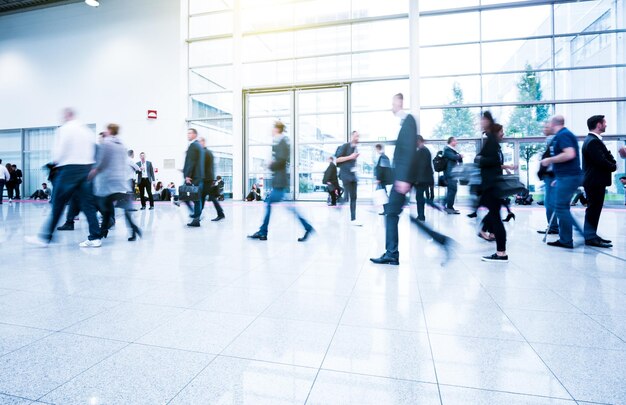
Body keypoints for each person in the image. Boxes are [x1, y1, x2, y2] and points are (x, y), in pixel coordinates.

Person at [371, 93, 450, 266]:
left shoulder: (409, 121)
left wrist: (404, 179)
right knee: (395, 213)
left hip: (403, 179)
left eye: (393, 103)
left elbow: (408, 151)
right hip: (402, 178)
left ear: (400, 102)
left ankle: (392, 253)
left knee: (391, 213)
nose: (392, 106)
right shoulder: (406, 123)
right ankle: (439, 240)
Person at [26, 108, 102, 247]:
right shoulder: (86, 130)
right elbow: (94, 151)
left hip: (69, 170)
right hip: (85, 169)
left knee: (58, 203)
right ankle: (95, 237)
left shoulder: (65, 129)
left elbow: (59, 152)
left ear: (67, 116)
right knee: (88, 205)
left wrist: (54, 164)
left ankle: (45, 237)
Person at [248, 121, 314, 242]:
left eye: (273, 128)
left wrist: (271, 164)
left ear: (277, 129)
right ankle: (263, 232)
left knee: (275, 205)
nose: (271, 131)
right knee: (280, 206)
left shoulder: (283, 142)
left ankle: (263, 232)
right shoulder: (279, 142)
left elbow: (282, 161)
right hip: (279, 181)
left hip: (280, 181)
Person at [89, 124, 141, 241]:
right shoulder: (122, 145)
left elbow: (103, 162)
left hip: (109, 184)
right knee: (124, 209)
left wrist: (94, 172)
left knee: (106, 210)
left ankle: (102, 233)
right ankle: (133, 229)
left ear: (110, 130)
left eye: (107, 129)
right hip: (121, 183)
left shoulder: (106, 144)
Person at [540, 115, 584, 249]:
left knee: (560, 208)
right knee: (561, 207)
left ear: (553, 124)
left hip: (569, 177)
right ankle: (566, 240)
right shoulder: (564, 135)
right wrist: (558, 178)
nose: (546, 128)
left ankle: (581, 234)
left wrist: (549, 160)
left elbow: (570, 154)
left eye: (548, 125)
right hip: (565, 177)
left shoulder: (563, 135)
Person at [581, 115, 616, 248]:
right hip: (594, 181)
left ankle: (592, 235)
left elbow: (606, 157)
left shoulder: (593, 140)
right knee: (593, 209)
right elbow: (602, 161)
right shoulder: (593, 141)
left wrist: (611, 161)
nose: (606, 125)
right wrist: (613, 165)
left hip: (594, 181)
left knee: (594, 209)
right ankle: (590, 237)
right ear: (598, 125)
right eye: (604, 122)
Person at [478, 123, 509, 262]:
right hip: (493, 187)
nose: (503, 133)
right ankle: (489, 234)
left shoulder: (494, 147)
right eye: (501, 131)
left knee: (496, 218)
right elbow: (484, 162)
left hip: (493, 187)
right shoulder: (492, 147)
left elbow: (489, 163)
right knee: (496, 217)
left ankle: (501, 252)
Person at [537, 121, 559, 235]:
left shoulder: (552, 139)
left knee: (550, 203)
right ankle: (553, 226)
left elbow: (555, 158)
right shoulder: (551, 140)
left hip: (552, 177)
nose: (544, 129)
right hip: (550, 177)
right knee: (549, 202)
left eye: (546, 127)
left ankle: (554, 227)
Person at [336, 130, 361, 225]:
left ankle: (353, 219)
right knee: (347, 197)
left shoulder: (356, 148)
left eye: (358, 136)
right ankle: (339, 206)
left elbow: (352, 162)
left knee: (354, 197)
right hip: (345, 175)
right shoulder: (345, 146)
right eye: (356, 136)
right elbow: (337, 160)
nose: (357, 138)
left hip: (353, 176)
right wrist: (350, 157)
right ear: (351, 137)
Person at [199, 137, 225, 221]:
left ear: (203, 142)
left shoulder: (205, 153)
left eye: (200, 142)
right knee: (205, 197)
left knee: (208, 197)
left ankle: (198, 215)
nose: (199, 144)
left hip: (207, 179)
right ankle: (198, 215)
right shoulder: (207, 152)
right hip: (208, 178)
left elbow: (203, 167)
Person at [183, 128, 205, 227]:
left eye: (190, 133)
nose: (188, 135)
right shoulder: (199, 146)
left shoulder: (193, 145)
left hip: (194, 176)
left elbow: (191, 162)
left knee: (194, 198)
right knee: (197, 198)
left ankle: (196, 218)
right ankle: (197, 217)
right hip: (199, 175)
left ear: (195, 134)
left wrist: (188, 175)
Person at [413, 135, 434, 222]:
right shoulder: (424, 151)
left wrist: (417, 179)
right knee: (419, 197)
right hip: (424, 179)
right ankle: (421, 215)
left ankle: (421, 216)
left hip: (421, 180)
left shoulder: (423, 151)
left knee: (419, 198)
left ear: (418, 141)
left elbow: (422, 166)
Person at [443, 136, 463, 214]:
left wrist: (459, 157)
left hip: (453, 173)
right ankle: (449, 207)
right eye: (455, 141)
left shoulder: (452, 150)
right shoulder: (447, 149)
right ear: (451, 141)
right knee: (453, 190)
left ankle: (448, 206)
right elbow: (454, 157)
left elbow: (457, 158)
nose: (456, 142)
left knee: (451, 190)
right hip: (450, 173)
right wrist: (460, 156)